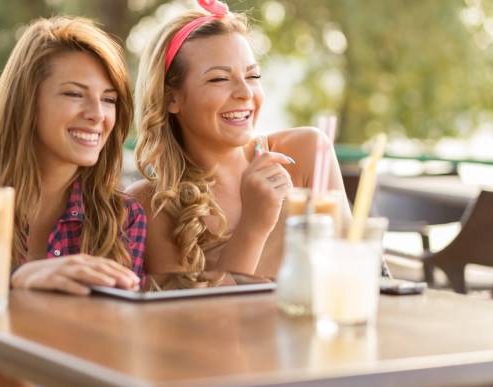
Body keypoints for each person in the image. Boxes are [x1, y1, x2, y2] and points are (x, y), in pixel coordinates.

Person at [128, 0, 346, 288]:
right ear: (172, 98)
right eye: (219, 78)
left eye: (253, 76)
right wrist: (254, 226)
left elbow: (348, 271)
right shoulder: (149, 204)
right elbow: (198, 320)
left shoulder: (307, 153)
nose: (245, 92)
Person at [0, 16, 146, 295]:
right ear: (27, 102)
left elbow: (120, 325)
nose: (97, 114)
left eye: (109, 99)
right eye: (74, 94)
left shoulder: (125, 219)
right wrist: (16, 278)